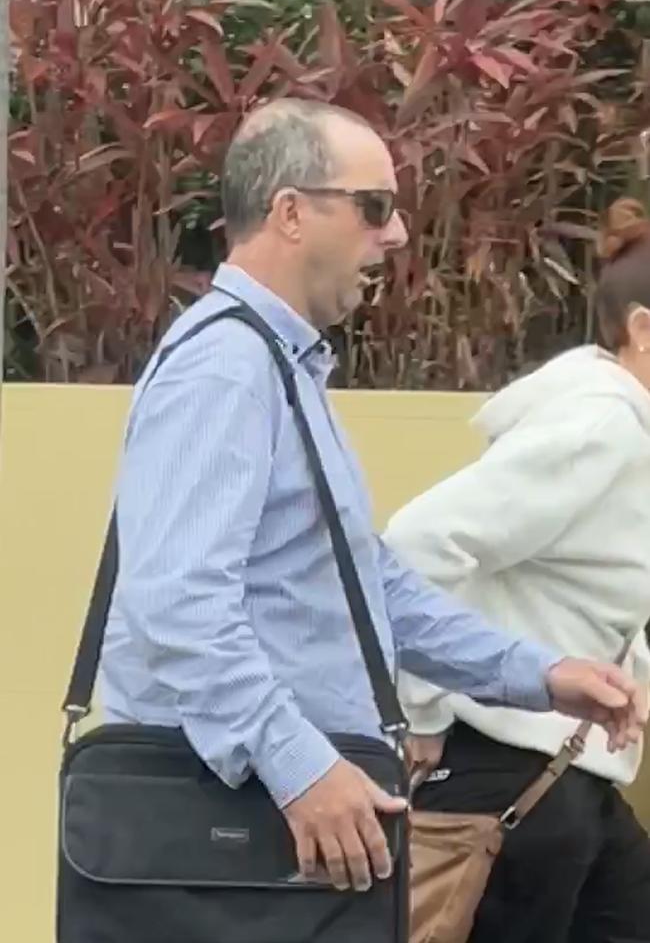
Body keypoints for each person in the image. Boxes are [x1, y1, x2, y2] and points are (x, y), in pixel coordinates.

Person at [99, 100, 643, 901]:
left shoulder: (279, 367)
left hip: (276, 819)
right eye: (374, 208)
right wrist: (302, 767)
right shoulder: (226, 370)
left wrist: (537, 674)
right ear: (290, 212)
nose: (394, 236)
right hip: (230, 823)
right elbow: (177, 603)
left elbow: (366, 586)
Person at [384, 197, 650, 941]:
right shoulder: (600, 423)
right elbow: (417, 542)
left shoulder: (622, 430)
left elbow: (584, 581)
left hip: (566, 775)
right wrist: (426, 708)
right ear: (642, 333)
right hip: (508, 772)